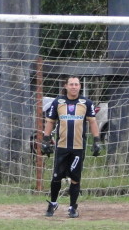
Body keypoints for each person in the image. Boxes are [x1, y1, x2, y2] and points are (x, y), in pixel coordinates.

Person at [41, 75, 101, 218]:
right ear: (66, 86)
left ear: (80, 86)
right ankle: (53, 203)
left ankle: (72, 207)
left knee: (75, 177)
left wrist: (97, 140)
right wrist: (45, 140)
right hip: (61, 147)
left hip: (78, 148)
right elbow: (50, 122)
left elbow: (92, 122)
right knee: (56, 177)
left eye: (76, 84)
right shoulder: (58, 102)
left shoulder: (86, 103)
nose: (74, 87)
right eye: (71, 84)